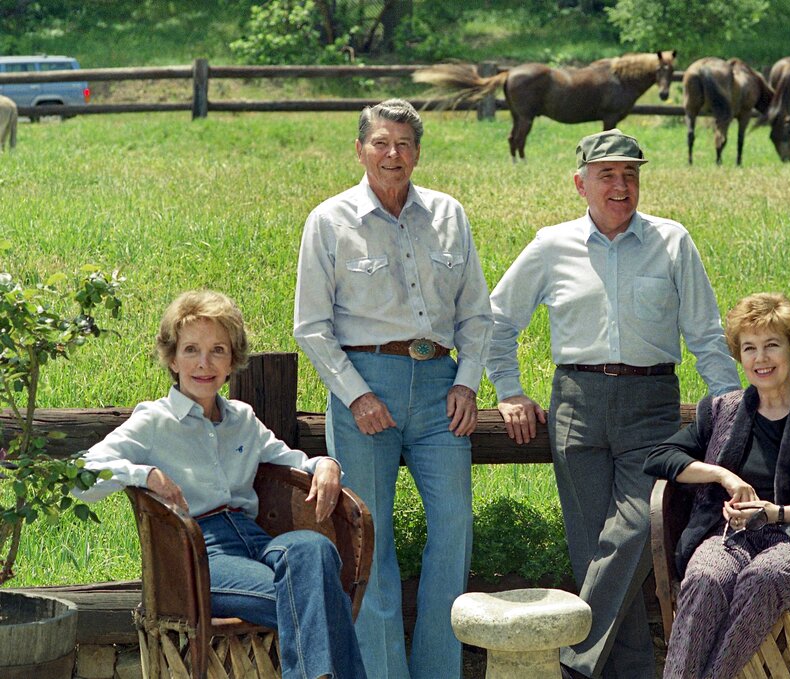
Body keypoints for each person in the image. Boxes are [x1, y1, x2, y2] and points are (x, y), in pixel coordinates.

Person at [486, 128, 741, 679]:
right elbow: (497, 322)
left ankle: (570, 663)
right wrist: (508, 390)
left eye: (631, 175)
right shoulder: (551, 245)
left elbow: (705, 335)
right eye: (608, 175)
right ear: (581, 184)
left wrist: (729, 411)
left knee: (629, 536)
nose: (621, 185)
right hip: (576, 403)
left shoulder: (673, 241)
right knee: (595, 553)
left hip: (651, 404)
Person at [293, 98, 493, 679]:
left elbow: (477, 316)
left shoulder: (450, 214)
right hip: (365, 386)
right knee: (368, 542)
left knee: (454, 531)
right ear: (359, 150)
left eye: (404, 144)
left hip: (440, 388)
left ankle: (438, 671)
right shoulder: (329, 220)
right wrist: (355, 393)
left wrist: (467, 382)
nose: (393, 154)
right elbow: (310, 325)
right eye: (381, 143)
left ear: (418, 152)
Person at [74, 290, 365, 679]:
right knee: (317, 597)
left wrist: (327, 464)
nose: (204, 363)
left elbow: (293, 462)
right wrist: (145, 475)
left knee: (312, 549)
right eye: (191, 349)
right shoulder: (153, 422)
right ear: (173, 359)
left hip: (257, 539)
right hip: (200, 553)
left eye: (218, 350)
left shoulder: (241, 418)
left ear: (232, 361)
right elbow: (81, 475)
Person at [643, 292, 790, 678]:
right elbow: (660, 458)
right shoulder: (722, 410)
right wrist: (722, 475)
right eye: (749, 348)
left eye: (772, 345)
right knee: (703, 577)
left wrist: (776, 513)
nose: (761, 359)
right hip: (731, 535)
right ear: (739, 357)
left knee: (762, 578)